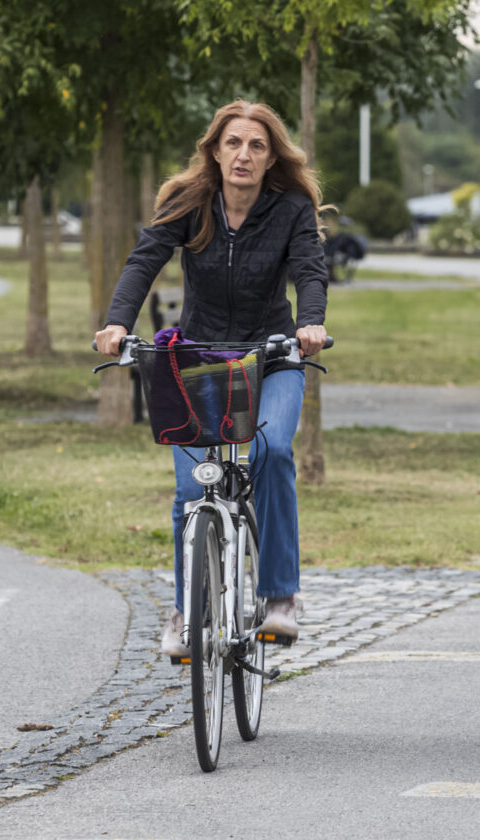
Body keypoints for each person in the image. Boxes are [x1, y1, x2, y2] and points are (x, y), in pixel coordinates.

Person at [95, 100, 329, 656]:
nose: (244, 154)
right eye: (233, 143)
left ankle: (279, 597)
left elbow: (309, 269)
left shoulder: (291, 209)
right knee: (189, 488)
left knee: (271, 451)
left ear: (271, 158)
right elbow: (144, 260)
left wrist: (311, 323)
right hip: (198, 359)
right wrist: (117, 322)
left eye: (256, 145)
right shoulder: (190, 201)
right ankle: (187, 610)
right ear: (216, 153)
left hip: (272, 356)